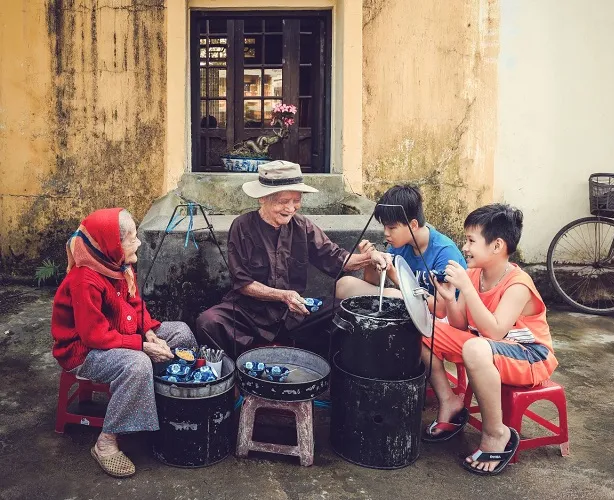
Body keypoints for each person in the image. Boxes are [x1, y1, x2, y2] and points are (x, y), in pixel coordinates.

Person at [51, 208, 197, 479]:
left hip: (117, 335)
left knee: (181, 334)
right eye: (131, 238)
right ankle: (106, 441)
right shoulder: (86, 278)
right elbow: (93, 336)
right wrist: (141, 346)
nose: (138, 243)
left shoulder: (119, 267)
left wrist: (149, 332)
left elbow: (135, 305)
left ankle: (165, 405)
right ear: (112, 244)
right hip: (84, 352)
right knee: (137, 364)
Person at [195, 160, 391, 357]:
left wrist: (370, 257)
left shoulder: (302, 226)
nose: (291, 208)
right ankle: (242, 370)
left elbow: (336, 258)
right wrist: (283, 295)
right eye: (283, 201)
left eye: (296, 200)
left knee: (346, 310)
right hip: (249, 313)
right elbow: (242, 282)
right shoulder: (242, 227)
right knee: (208, 322)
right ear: (262, 198)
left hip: (293, 313)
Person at [422, 203, 558, 476]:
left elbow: (495, 331)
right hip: (484, 347)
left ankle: (497, 433)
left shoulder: (518, 284)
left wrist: (467, 289)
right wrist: (450, 299)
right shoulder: (474, 274)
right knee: (426, 331)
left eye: (471, 241)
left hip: (529, 354)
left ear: (497, 246)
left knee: (474, 347)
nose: (465, 247)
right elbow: (461, 324)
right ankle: (449, 402)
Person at [335, 184, 466, 299]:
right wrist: (370, 260)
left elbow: (441, 309)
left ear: (413, 225)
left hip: (440, 318)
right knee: (344, 284)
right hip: (410, 304)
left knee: (394, 295)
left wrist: (392, 273)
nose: (386, 233)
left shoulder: (444, 252)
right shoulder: (399, 245)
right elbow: (372, 286)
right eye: (384, 226)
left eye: (392, 228)